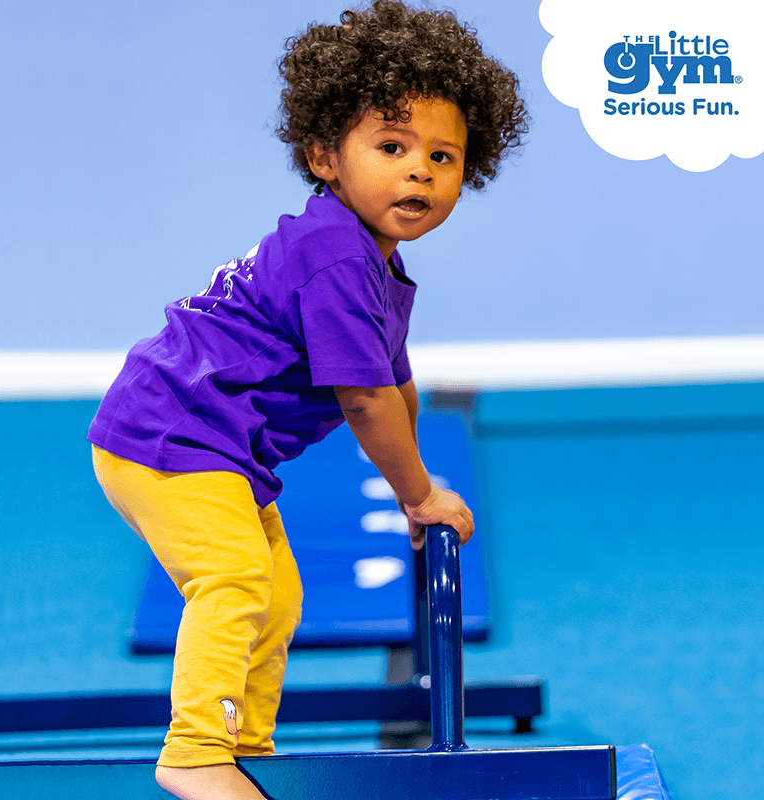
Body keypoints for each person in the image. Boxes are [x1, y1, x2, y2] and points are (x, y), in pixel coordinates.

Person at [88, 1, 527, 797]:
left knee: (277, 596)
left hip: (212, 445)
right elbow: (364, 401)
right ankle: (194, 752)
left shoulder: (372, 262)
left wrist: (418, 486)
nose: (420, 171)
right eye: (391, 148)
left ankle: (244, 744)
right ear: (325, 156)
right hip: (171, 435)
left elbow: (396, 382)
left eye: (443, 156)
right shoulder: (333, 256)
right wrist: (417, 495)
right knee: (233, 579)